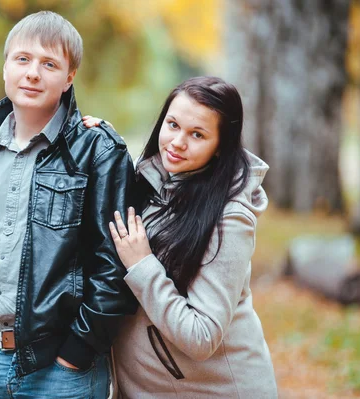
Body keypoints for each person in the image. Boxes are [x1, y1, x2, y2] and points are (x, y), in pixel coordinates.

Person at [0, 10, 136, 399]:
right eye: (23, 59)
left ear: (69, 77)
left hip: (61, 372)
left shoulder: (97, 151)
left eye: (49, 64)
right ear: (5, 66)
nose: (32, 73)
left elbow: (114, 264)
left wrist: (76, 354)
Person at [84, 76, 278, 398]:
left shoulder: (229, 220)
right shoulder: (156, 183)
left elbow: (202, 336)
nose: (176, 142)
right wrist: (109, 144)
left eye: (197, 134)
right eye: (172, 125)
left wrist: (142, 264)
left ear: (220, 147)